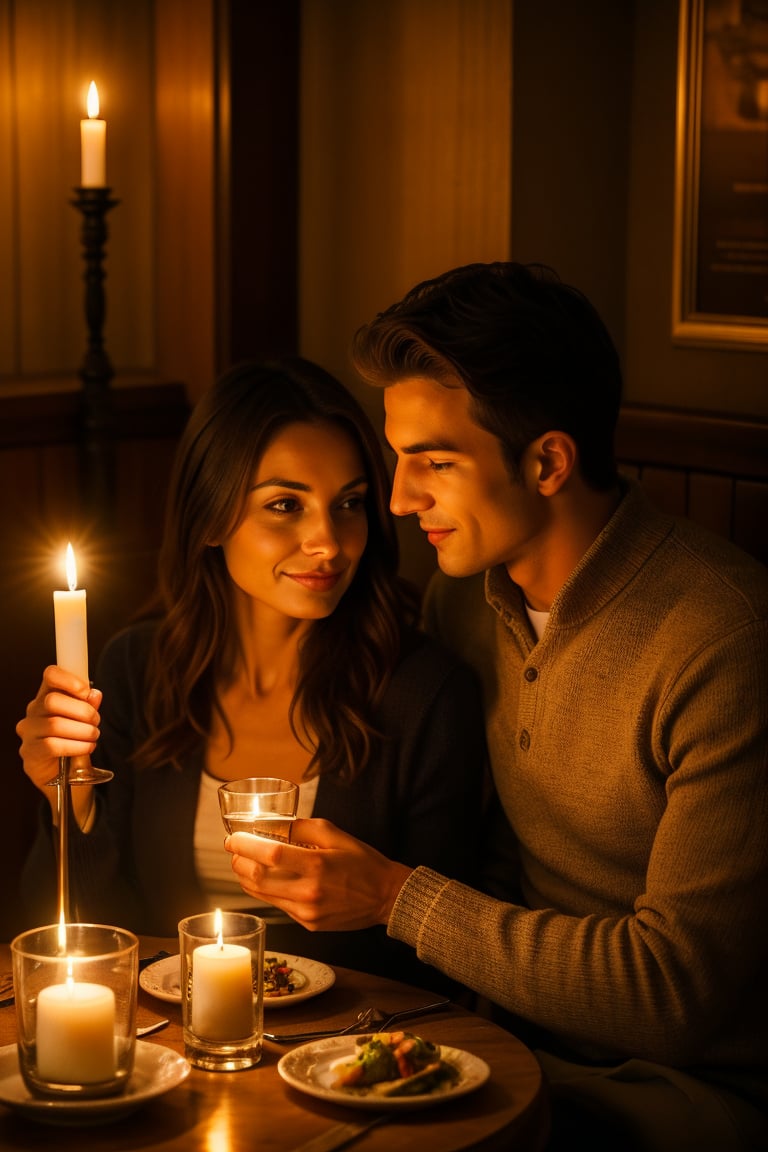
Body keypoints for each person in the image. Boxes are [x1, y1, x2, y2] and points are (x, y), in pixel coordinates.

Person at [222, 265, 768, 1151]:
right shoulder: (464, 605)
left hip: (680, 1097)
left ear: (548, 461)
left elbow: (676, 998)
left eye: (435, 462)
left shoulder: (723, 640)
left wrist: (396, 898)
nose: (400, 499)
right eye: (397, 459)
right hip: (501, 1053)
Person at [17, 355, 488, 994]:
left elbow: (440, 966)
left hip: (345, 1056)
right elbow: (83, 944)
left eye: (348, 503)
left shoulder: (424, 695)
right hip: (170, 1043)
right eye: (286, 505)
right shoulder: (134, 672)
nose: (328, 540)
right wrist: (67, 798)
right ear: (211, 516)